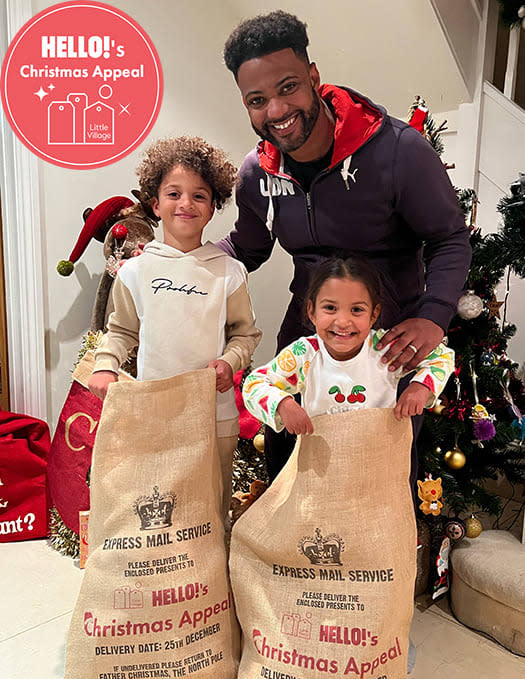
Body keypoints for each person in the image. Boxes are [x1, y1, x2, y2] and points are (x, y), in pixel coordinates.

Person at [218, 10, 471, 482]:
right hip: (306, 335)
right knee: (289, 463)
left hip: (389, 339)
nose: (275, 111)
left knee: (381, 475)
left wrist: (434, 316)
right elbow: (245, 249)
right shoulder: (257, 174)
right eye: (257, 99)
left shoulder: (399, 150)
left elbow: (449, 237)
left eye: (287, 87)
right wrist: (179, 259)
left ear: (313, 77)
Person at [89, 135, 262, 515]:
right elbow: (120, 330)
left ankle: (211, 570)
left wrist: (230, 362)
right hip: (154, 412)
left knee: (210, 507)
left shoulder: (228, 272)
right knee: (158, 500)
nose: (186, 204)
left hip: (214, 415)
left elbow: (244, 334)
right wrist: (105, 365)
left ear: (214, 206)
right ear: (155, 203)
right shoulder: (135, 272)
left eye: (199, 196)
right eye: (174, 194)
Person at [242, 256, 455, 435]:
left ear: (374, 314)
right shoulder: (304, 355)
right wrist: (283, 404)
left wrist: (421, 386)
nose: (343, 321)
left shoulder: (385, 348)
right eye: (330, 308)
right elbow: (254, 384)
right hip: (321, 469)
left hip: (379, 467)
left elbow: (441, 357)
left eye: (356, 310)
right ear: (311, 311)